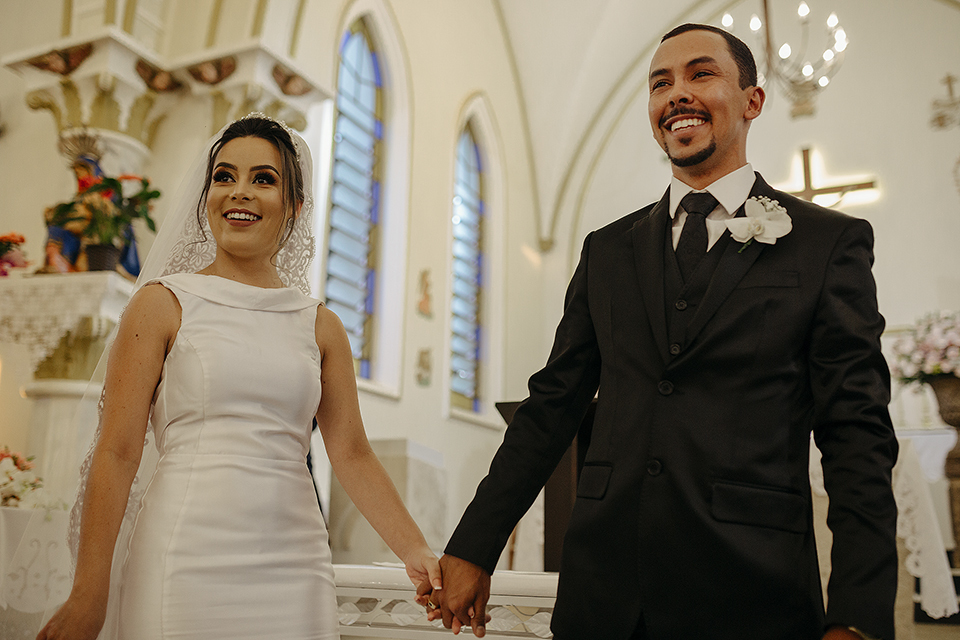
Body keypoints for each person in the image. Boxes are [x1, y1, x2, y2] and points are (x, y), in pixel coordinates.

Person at [418, 24, 899, 640]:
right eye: (660, 83)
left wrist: (857, 617)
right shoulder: (607, 251)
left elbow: (856, 433)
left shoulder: (827, 245)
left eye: (701, 74)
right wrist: (475, 544)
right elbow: (553, 405)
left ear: (752, 101)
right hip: (606, 589)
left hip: (752, 590)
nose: (677, 94)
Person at [35, 114, 441, 640]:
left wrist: (415, 550)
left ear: (294, 207)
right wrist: (89, 593)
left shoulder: (320, 325)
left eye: (263, 179)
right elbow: (116, 452)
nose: (238, 193)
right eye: (224, 177)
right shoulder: (162, 304)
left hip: (294, 566)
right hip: (181, 556)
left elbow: (352, 453)